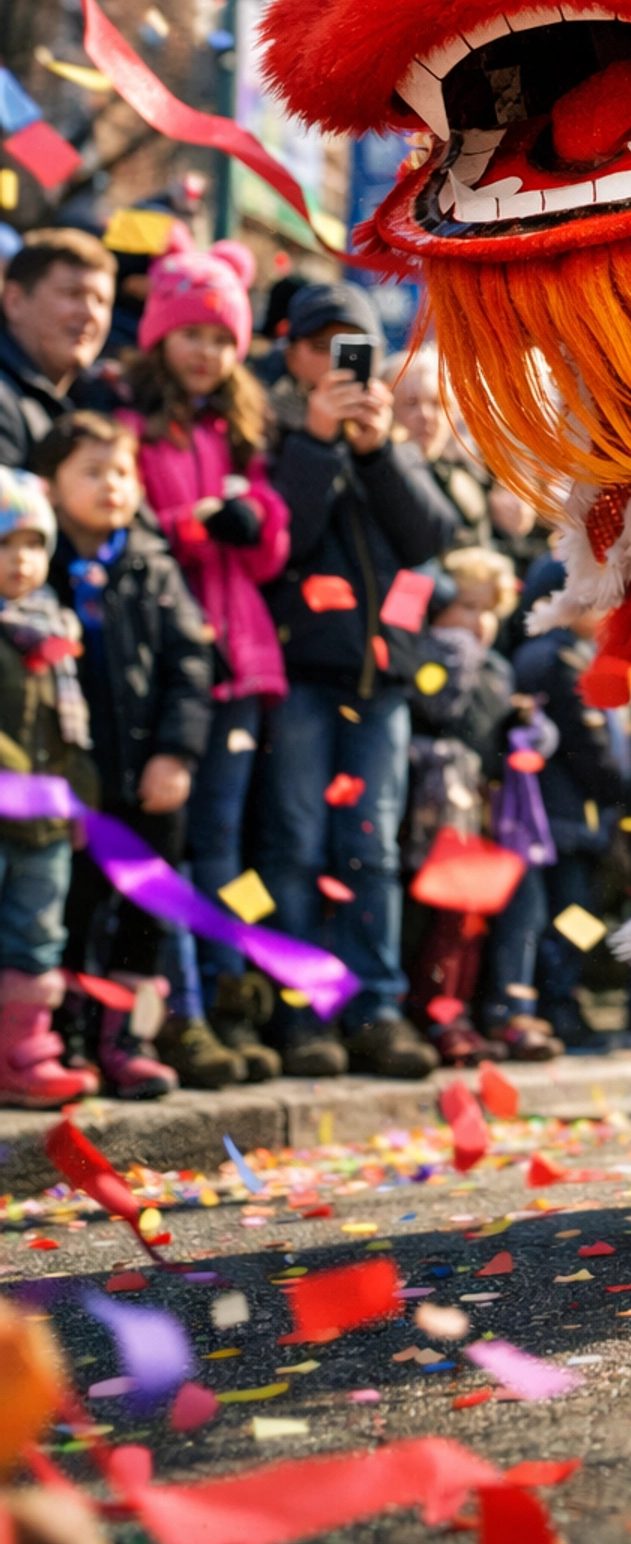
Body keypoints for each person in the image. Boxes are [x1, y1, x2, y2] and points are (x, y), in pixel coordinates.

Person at [258, 281, 458, 1080]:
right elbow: (282, 541)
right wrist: (314, 442)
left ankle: (375, 1009)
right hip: (301, 676)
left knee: (371, 851)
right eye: (327, 344)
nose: (343, 361)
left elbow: (428, 537)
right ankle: (302, 1013)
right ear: (297, 355)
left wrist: (376, 450)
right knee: (297, 844)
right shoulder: (271, 429)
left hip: (382, 688)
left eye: (358, 346)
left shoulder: (384, 436)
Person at [120, 232, 291, 1081]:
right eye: (194, 333)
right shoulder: (132, 419)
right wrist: (197, 526)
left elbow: (267, 551)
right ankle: (174, 1009)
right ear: (160, 334)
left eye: (224, 337)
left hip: (243, 663)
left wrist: (258, 525)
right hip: (168, 663)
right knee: (174, 842)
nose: (209, 351)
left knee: (227, 844)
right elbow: (134, 528)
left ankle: (227, 996)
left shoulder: (242, 426)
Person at [38, 413, 221, 1098]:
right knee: (73, 911)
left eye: (121, 471)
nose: (112, 485)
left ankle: (130, 1038)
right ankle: (70, 1039)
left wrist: (177, 753)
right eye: (91, 471)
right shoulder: (37, 569)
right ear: (51, 486)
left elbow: (190, 665)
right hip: (75, 787)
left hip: (151, 781)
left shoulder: (153, 564)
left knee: (148, 914)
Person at [401, 546, 533, 1062]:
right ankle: (429, 1011)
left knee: (468, 920)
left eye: (486, 612)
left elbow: (493, 737)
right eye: (466, 608)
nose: (476, 623)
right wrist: (455, 652)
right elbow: (435, 706)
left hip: (476, 803)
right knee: (433, 916)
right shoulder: (432, 653)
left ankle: (457, 1010)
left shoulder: (497, 669)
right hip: (431, 807)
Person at [0, 468, 101, 1106]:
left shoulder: (55, 629)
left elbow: (72, 730)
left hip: (43, 822)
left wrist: (77, 794)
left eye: (33, 544)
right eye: (5, 545)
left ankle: (22, 1056)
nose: (20, 559)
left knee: (37, 932)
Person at [507, 554, 629, 1055]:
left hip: (565, 815)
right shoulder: (558, 659)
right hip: (565, 815)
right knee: (569, 914)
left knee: (568, 913)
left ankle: (563, 1002)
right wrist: (625, 788)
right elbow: (587, 745)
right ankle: (560, 1006)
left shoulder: (556, 653)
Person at [0, 228, 118, 471]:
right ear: (14, 301)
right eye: (73, 294)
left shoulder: (100, 399)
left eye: (102, 301)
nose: (89, 314)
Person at [392, 347, 493, 552]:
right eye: (411, 404)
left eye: (438, 404)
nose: (426, 415)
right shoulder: (376, 478)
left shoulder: (469, 473)